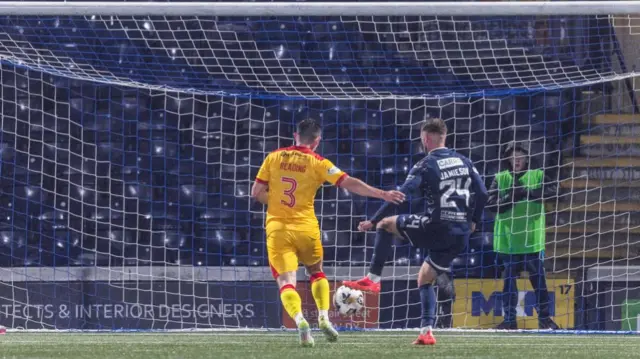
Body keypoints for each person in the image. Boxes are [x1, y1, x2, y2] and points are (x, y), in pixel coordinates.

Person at [251, 118, 405, 347]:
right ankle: (323, 316)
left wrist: (274, 201)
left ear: (296, 135)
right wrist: (382, 194)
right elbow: (349, 182)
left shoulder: (273, 157)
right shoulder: (318, 162)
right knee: (316, 272)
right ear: (317, 141)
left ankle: (300, 320)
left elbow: (256, 193)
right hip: (307, 228)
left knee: (286, 282)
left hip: (278, 228)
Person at [343, 118, 488, 345]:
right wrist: (474, 221)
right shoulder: (465, 161)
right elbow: (483, 194)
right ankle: (426, 332)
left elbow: (400, 196)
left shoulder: (426, 163)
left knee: (385, 225)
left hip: (437, 227)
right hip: (461, 234)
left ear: (426, 138)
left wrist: (372, 220)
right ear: (444, 136)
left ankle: (373, 279)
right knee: (425, 278)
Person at [487, 141, 560, 330]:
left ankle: (544, 319)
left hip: (531, 241)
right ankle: (510, 320)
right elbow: (491, 205)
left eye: (520, 156)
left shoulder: (538, 175)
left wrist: (528, 192)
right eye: (513, 156)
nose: (516, 159)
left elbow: (555, 193)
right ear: (508, 159)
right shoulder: (500, 178)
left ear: (527, 158)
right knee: (509, 284)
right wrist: (511, 198)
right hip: (508, 241)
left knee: (539, 283)